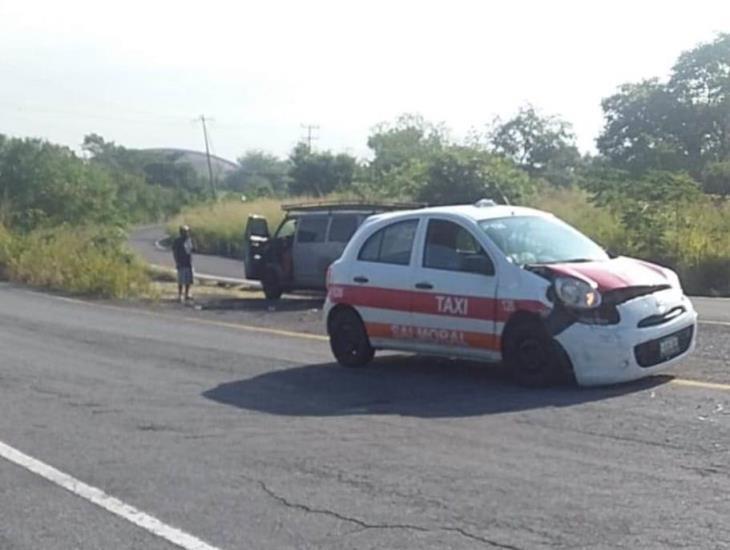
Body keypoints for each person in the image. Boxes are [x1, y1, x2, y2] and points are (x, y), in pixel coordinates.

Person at [172, 225, 194, 303]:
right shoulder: (177, 241)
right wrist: (177, 262)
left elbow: (191, 250)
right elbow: (175, 252)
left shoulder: (189, 240)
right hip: (181, 262)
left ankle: (187, 294)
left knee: (189, 280)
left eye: (187, 231)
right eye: (185, 232)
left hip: (188, 262)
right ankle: (180, 295)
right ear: (181, 232)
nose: (187, 233)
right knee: (181, 280)